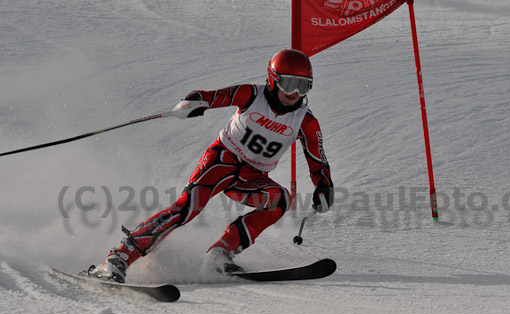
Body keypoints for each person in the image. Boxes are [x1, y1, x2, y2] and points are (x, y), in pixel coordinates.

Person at [87, 49, 334, 283]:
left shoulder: (305, 120)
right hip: (221, 161)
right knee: (188, 207)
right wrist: (196, 101)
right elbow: (217, 96)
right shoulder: (252, 94)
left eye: (303, 86)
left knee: (279, 199)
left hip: (251, 176)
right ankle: (118, 257)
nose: (294, 92)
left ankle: (220, 254)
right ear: (272, 80)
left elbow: (317, 158)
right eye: (289, 84)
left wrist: (323, 185)